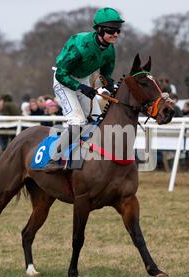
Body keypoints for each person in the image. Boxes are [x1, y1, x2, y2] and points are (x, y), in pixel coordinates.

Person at [46, 7, 125, 170]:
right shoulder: (80, 44)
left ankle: (85, 159)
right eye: (112, 30)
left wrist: (109, 84)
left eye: (118, 30)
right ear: (100, 29)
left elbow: (105, 75)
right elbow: (61, 74)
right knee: (78, 122)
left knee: (97, 119)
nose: (116, 34)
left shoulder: (110, 50)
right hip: (63, 80)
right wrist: (81, 87)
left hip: (83, 80)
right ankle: (54, 157)